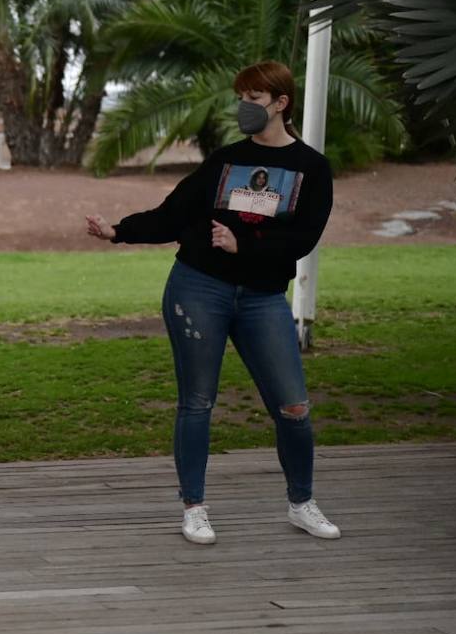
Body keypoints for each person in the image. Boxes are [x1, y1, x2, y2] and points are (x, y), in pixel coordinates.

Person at [85, 60, 340, 546]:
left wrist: (246, 247)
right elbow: (173, 213)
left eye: (254, 99)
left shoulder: (311, 169)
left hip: (264, 298)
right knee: (197, 402)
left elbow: (304, 238)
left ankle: (302, 503)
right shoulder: (225, 160)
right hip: (199, 288)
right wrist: (119, 231)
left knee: (293, 407)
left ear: (281, 104)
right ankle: (195, 508)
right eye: (240, 97)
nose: (244, 107)